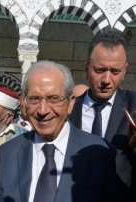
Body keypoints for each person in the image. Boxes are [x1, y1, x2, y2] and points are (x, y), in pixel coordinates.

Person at [0, 61, 120, 202]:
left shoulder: (99, 153)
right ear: (24, 104)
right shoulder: (9, 152)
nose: (43, 110)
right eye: (34, 99)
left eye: (54, 99)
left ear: (71, 103)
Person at [69, 29, 136, 200]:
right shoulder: (67, 110)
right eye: (99, 70)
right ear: (87, 67)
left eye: (115, 71)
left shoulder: (134, 107)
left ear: (125, 70)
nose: (106, 80)